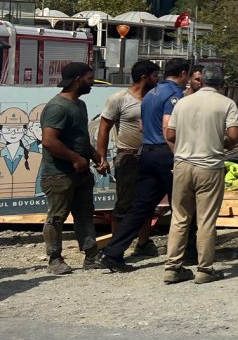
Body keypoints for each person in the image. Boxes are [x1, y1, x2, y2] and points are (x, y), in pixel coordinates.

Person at [99, 58, 190, 273]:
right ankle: (190, 252)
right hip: (164, 153)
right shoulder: (174, 95)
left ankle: (112, 253)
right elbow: (169, 127)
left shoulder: (151, 94)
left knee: (140, 207)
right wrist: (178, 155)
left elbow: (141, 126)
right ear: (184, 73)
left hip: (146, 153)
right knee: (183, 204)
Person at [163, 65, 238, 284]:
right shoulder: (226, 104)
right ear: (221, 83)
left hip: (182, 165)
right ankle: (204, 269)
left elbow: (170, 133)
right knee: (206, 219)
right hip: (209, 165)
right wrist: (221, 142)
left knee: (180, 217)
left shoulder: (183, 102)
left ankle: (173, 267)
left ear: (201, 81)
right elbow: (234, 136)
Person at [39, 63, 103, 274]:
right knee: (57, 217)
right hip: (59, 174)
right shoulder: (57, 107)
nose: (92, 82)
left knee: (85, 213)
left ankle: (91, 256)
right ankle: (55, 259)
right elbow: (49, 141)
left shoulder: (80, 105)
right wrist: (75, 158)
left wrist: (96, 157)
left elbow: (80, 138)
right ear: (77, 79)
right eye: (89, 77)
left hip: (81, 172)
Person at [97, 60, 161, 258]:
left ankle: (143, 243)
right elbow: (104, 128)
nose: (157, 79)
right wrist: (102, 157)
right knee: (124, 204)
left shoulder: (155, 98)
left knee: (146, 203)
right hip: (128, 156)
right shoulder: (119, 99)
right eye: (155, 76)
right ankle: (115, 249)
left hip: (150, 156)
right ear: (144, 77)